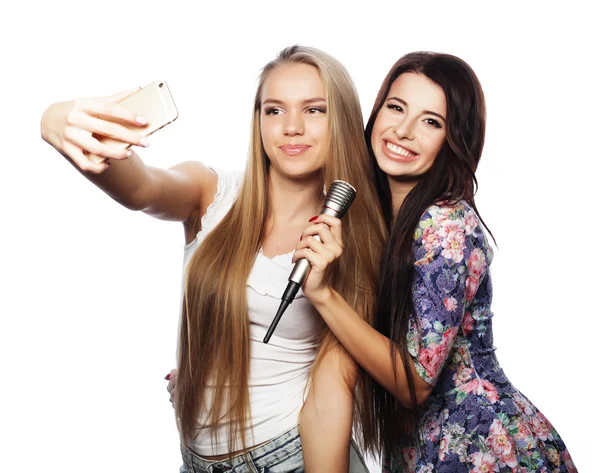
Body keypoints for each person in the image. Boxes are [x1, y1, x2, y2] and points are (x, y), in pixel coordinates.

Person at [40, 45, 386, 473]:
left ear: (342, 122)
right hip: (195, 461)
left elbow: (331, 396)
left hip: (289, 458)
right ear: (258, 121)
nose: (292, 127)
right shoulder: (212, 193)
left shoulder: (351, 245)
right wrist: (57, 119)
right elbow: (142, 189)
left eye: (314, 110)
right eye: (274, 111)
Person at [293, 51, 578, 472]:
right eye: (396, 107)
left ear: (454, 138)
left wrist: (322, 294)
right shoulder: (377, 220)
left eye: (431, 121)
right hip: (425, 447)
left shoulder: (444, 224)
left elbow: (414, 383)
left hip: (477, 447)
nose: (403, 131)